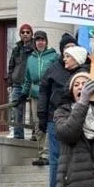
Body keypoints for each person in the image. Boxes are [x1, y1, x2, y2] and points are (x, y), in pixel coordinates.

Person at [37, 38, 87, 187]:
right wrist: (42, 116)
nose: (67, 55)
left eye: (72, 50)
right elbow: (43, 92)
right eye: (66, 50)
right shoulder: (52, 69)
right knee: (56, 157)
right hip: (54, 117)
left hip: (80, 119)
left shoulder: (86, 72)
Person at [19, 31, 58, 166]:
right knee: (38, 124)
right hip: (36, 94)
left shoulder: (54, 56)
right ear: (35, 42)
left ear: (46, 41)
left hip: (50, 93)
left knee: (50, 122)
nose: (40, 42)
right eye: (38, 40)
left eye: (42, 40)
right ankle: (41, 153)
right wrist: (23, 93)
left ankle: (48, 152)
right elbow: (27, 79)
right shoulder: (31, 58)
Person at [6, 23, 34, 139]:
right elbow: (11, 66)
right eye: (23, 32)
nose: (25, 34)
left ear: (31, 34)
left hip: (32, 83)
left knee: (34, 110)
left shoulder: (35, 47)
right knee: (17, 110)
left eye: (28, 32)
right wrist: (10, 83)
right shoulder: (16, 48)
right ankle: (18, 135)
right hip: (17, 83)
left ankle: (35, 135)